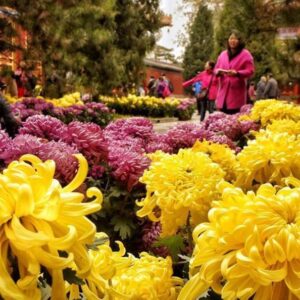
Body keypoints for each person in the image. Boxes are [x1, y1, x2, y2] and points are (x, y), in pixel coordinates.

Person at [215, 30, 255, 114]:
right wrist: (218, 72)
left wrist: (237, 73)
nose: (232, 41)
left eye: (235, 38)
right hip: (223, 94)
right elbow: (216, 68)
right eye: (231, 38)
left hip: (236, 94)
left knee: (234, 118)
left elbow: (250, 70)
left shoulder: (246, 54)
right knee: (222, 119)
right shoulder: (223, 54)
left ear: (240, 41)